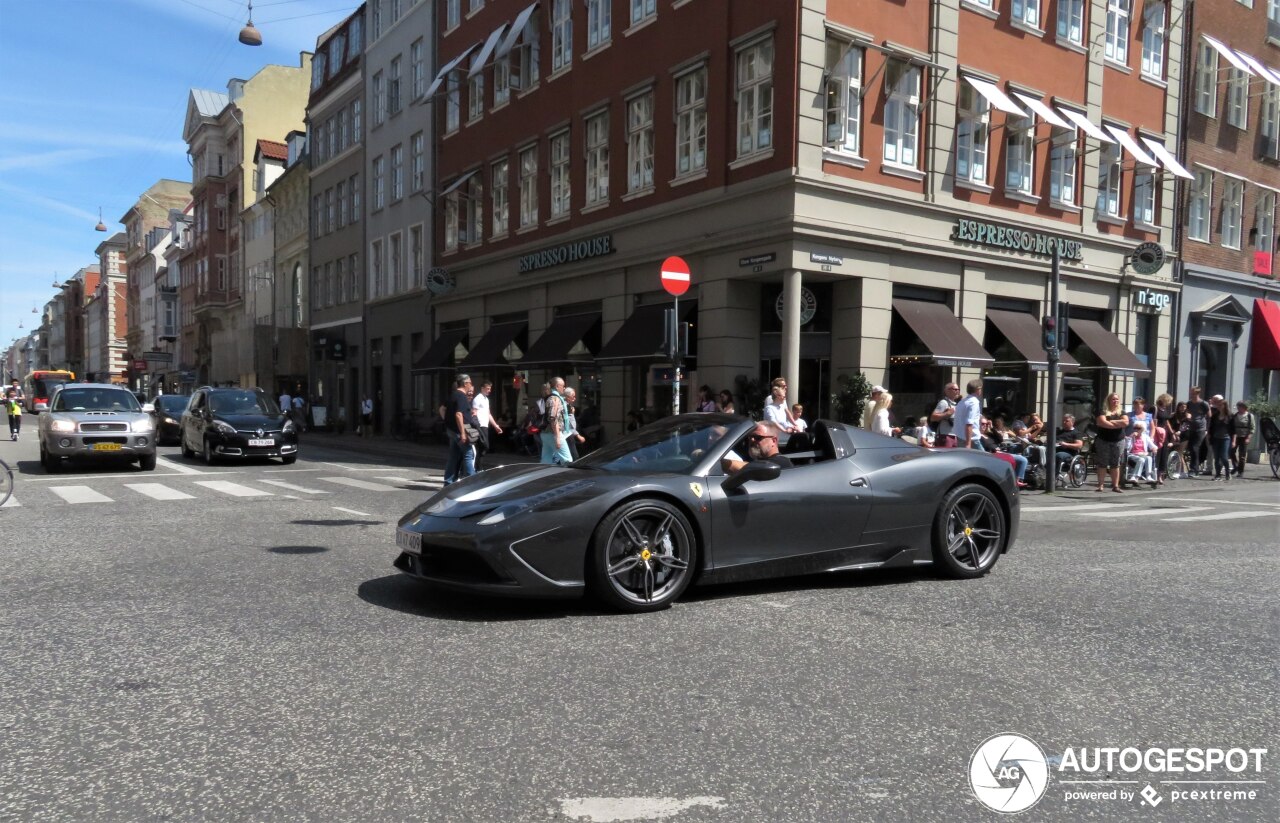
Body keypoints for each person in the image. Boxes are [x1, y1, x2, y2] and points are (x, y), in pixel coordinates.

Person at [443, 374, 477, 485]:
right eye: (470, 382)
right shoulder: (461, 396)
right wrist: (462, 433)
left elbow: (443, 409)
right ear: (465, 383)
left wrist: (447, 421)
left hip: (452, 430)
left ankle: (448, 482)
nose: (471, 385)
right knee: (468, 455)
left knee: (453, 457)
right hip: (459, 431)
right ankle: (472, 482)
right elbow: (458, 414)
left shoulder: (453, 395)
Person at [722, 422, 794, 474]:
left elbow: (747, 468)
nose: (752, 440)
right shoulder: (757, 460)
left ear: (773, 441)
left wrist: (719, 463)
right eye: (750, 437)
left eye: (757, 437)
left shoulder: (781, 462)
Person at [1093, 392, 1129, 493]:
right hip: (1103, 440)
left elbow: (1126, 422)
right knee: (1102, 463)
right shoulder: (1102, 411)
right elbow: (1102, 422)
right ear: (1108, 400)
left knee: (1115, 463)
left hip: (1118, 441)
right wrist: (1118, 424)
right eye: (1113, 399)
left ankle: (1115, 486)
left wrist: (1111, 422)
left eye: (1117, 399)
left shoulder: (1122, 411)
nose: (1115, 401)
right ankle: (1100, 485)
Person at [539, 377, 572, 465]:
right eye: (563, 386)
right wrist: (557, 437)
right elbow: (553, 418)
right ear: (557, 386)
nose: (564, 388)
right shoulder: (555, 398)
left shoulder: (550, 397)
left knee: (546, 461)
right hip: (553, 434)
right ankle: (567, 478)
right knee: (567, 460)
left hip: (546, 433)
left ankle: (542, 476)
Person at [472, 380, 503, 470]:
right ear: (482, 388)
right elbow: (474, 413)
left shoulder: (486, 399)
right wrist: (476, 425)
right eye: (488, 388)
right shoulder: (478, 399)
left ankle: (478, 467)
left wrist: (496, 426)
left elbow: (488, 414)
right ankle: (477, 467)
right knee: (484, 445)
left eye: (490, 389)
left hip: (485, 425)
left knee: (483, 447)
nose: (489, 390)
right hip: (480, 425)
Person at [1207, 395, 1234, 482]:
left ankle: (1227, 472)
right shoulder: (1215, 416)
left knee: (1224, 457)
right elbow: (1211, 427)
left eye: (1220, 405)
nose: (1218, 406)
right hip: (1216, 438)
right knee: (1217, 457)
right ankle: (1218, 474)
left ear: (1224, 406)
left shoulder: (1229, 416)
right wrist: (1209, 435)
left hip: (1226, 438)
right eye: (1218, 405)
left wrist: (1234, 441)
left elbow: (1233, 430)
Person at [763, 377, 798, 442]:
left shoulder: (781, 404)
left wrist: (793, 425)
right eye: (784, 386)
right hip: (773, 437)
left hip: (783, 436)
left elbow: (786, 413)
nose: (786, 387)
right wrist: (784, 430)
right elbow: (772, 421)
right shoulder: (770, 402)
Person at [1185, 386, 1210, 475]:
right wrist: (1187, 415)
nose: (1191, 395)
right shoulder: (1189, 403)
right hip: (1192, 428)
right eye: (1191, 393)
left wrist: (1207, 429)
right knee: (1191, 448)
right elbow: (1187, 412)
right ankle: (1195, 466)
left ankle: (1193, 469)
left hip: (1201, 428)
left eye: (1193, 393)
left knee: (1195, 448)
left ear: (1197, 393)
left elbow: (1209, 416)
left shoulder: (1204, 404)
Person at [952, 380, 984, 450]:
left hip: (960, 437)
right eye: (980, 388)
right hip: (971, 439)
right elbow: (969, 423)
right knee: (987, 460)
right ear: (978, 389)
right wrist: (968, 443)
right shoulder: (974, 403)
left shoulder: (962, 402)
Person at [1124, 421, 1157, 487]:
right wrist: (1130, 438)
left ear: (1143, 429)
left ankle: (1148, 477)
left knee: (1149, 457)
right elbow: (1126, 448)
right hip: (1132, 455)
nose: (1136, 429)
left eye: (1138, 428)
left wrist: (1154, 448)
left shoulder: (1145, 437)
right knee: (1141, 459)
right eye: (1135, 428)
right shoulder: (1131, 437)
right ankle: (1134, 477)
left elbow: (1153, 446)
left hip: (1143, 455)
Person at [563, 387, 587, 461]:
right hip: (567, 434)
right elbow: (568, 423)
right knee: (574, 456)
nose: (575, 398)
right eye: (573, 396)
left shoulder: (568, 406)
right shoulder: (565, 406)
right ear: (567, 396)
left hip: (567, 434)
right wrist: (578, 435)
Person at [1231, 400, 1255, 477]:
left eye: (1239, 406)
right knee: (1231, 452)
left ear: (1244, 407)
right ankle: (1236, 466)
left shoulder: (1249, 416)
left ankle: (1240, 471)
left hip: (1244, 436)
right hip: (1236, 436)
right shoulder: (1235, 415)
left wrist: (1248, 438)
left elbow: (1252, 428)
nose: (1238, 408)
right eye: (1237, 406)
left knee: (1242, 455)